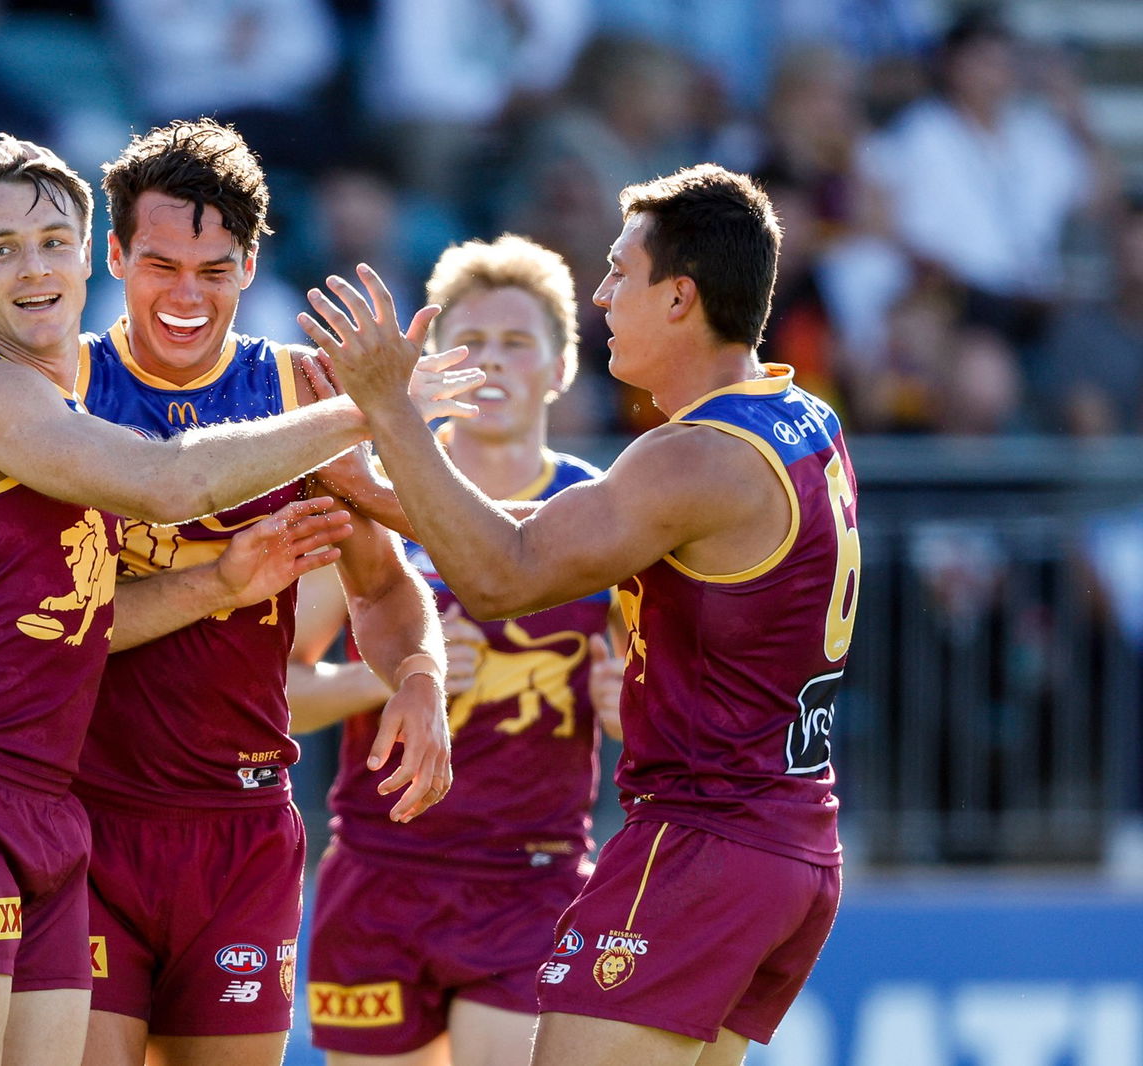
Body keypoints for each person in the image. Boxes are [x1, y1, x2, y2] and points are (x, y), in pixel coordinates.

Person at [0, 134, 466, 1066]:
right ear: (119, 259)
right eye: (160, 263)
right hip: (8, 792)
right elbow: (167, 484)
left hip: (148, 815)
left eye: (52, 242)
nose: (185, 293)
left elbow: (83, 618)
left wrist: (414, 665)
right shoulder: (33, 389)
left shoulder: (247, 389)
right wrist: (371, 407)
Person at [302, 164, 858, 1066]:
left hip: (698, 844)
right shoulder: (798, 419)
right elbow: (546, 534)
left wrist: (387, 413)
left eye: (616, 274)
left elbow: (499, 577)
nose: (601, 295)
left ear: (680, 298)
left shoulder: (688, 458)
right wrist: (379, 488)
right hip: (785, 841)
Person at [286, 234, 627, 1066]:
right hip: (380, 867)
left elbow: (654, 709)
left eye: (520, 344)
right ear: (431, 366)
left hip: (530, 876)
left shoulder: (605, 513)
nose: (497, 365)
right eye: (472, 344)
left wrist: (631, 713)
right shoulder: (374, 496)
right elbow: (277, 694)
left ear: (560, 369)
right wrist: (396, 679)